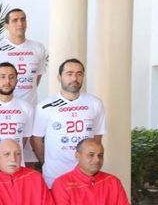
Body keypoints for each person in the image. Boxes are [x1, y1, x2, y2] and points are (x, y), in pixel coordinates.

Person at [31, 58, 106, 188]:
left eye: (79, 74)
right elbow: (36, 139)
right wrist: (45, 162)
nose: (74, 78)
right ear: (59, 77)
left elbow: (97, 138)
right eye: (69, 74)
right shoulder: (45, 106)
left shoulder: (95, 103)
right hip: (55, 175)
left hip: (86, 175)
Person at [0, 9, 48, 110]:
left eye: (23, 19)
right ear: (6, 25)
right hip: (3, 110)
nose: (20, 23)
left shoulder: (38, 48)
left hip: (30, 110)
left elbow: (35, 80)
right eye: (15, 20)